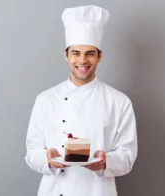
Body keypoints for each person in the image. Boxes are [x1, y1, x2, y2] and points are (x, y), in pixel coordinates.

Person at [25, 5, 138, 196]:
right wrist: (46, 159)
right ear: (66, 56)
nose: (82, 61)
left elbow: (127, 158)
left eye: (90, 53)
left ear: (99, 56)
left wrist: (106, 162)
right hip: (55, 190)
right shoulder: (46, 99)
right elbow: (32, 152)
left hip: (98, 191)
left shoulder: (118, 101)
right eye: (76, 53)